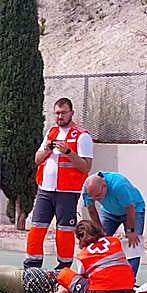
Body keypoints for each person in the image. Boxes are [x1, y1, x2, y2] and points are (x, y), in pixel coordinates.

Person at [26, 97, 93, 270]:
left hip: (67, 192)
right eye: (57, 113)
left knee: (64, 231)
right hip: (45, 189)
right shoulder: (52, 132)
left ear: (72, 113)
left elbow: (86, 167)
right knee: (36, 228)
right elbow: (37, 159)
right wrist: (47, 149)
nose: (60, 116)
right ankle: (32, 266)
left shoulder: (82, 136)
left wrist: (68, 152)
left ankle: (63, 268)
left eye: (63, 113)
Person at [43, 219, 136, 293]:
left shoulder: (83, 255)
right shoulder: (115, 241)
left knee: (65, 274)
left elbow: (80, 278)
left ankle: (61, 292)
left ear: (80, 237)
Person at [82, 171, 146, 278]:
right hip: (108, 211)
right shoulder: (88, 190)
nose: (96, 199)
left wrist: (130, 230)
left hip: (134, 209)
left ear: (104, 186)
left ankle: (130, 279)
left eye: (98, 196)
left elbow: (130, 208)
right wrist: (99, 231)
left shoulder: (119, 185)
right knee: (99, 241)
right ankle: (99, 275)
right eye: (93, 198)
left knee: (133, 244)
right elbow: (91, 210)